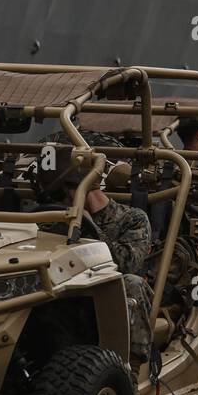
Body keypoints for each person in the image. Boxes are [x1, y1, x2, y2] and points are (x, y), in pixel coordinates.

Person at [37, 140, 155, 368]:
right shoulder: (53, 218)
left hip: (109, 294)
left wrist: (90, 228)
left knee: (131, 283)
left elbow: (125, 264)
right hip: (68, 287)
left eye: (62, 195)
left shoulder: (132, 219)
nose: (59, 203)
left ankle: (128, 371)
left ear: (78, 189)